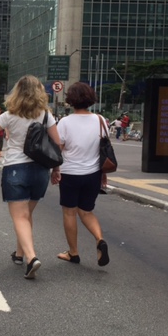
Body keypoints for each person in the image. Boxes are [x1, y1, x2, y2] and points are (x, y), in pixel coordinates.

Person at [0, 75, 60, 279]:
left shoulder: (10, 115)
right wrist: (57, 169)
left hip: (16, 167)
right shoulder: (45, 115)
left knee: (20, 216)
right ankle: (19, 253)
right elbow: (57, 144)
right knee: (26, 215)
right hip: (40, 170)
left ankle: (31, 258)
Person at [50, 82, 110, 267]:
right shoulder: (100, 120)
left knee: (69, 213)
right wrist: (104, 174)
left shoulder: (66, 122)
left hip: (70, 173)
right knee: (86, 211)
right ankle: (99, 239)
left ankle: (73, 253)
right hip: (93, 173)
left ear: (71, 99)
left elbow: (58, 149)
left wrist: (55, 170)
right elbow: (105, 149)